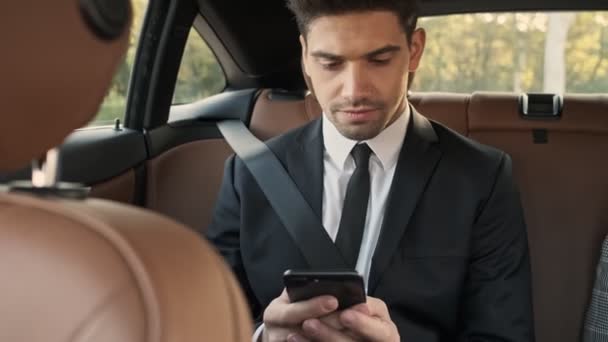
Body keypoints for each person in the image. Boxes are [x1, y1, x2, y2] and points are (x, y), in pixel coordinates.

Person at [207, 0, 535, 341]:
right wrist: (263, 337)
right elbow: (203, 318)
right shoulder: (249, 174)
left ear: (415, 50)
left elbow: (502, 335)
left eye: (378, 60)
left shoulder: (481, 177)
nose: (354, 91)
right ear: (305, 55)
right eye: (330, 63)